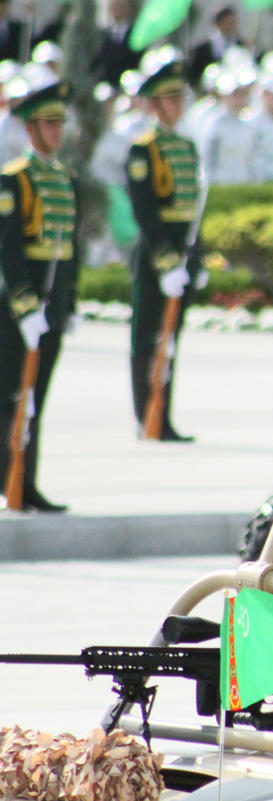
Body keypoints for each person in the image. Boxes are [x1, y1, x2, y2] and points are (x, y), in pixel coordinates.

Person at [0, 67, 76, 513]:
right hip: (19, 310)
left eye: (60, 123)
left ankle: (27, 483)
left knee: (36, 398)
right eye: (48, 124)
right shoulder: (15, 178)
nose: (56, 131)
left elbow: (72, 250)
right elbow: (9, 251)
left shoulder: (65, 179)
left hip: (52, 307)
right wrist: (25, 305)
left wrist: (73, 301)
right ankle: (7, 479)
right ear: (30, 128)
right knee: (10, 395)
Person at [125, 48, 204, 443]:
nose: (178, 104)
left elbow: (193, 209)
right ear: (155, 104)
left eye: (180, 97)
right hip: (156, 252)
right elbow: (145, 211)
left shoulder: (186, 147)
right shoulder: (144, 148)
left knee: (170, 338)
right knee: (148, 336)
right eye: (171, 98)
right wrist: (167, 259)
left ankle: (164, 416)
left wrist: (197, 257)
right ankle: (146, 415)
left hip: (182, 251)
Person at [188, 5, 246, 88]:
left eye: (233, 23)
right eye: (228, 23)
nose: (231, 27)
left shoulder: (241, 46)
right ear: (218, 23)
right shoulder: (202, 48)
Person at [95, 0, 143, 88]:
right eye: (115, 7)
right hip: (107, 87)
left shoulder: (135, 33)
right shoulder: (104, 34)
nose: (117, 11)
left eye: (121, 7)